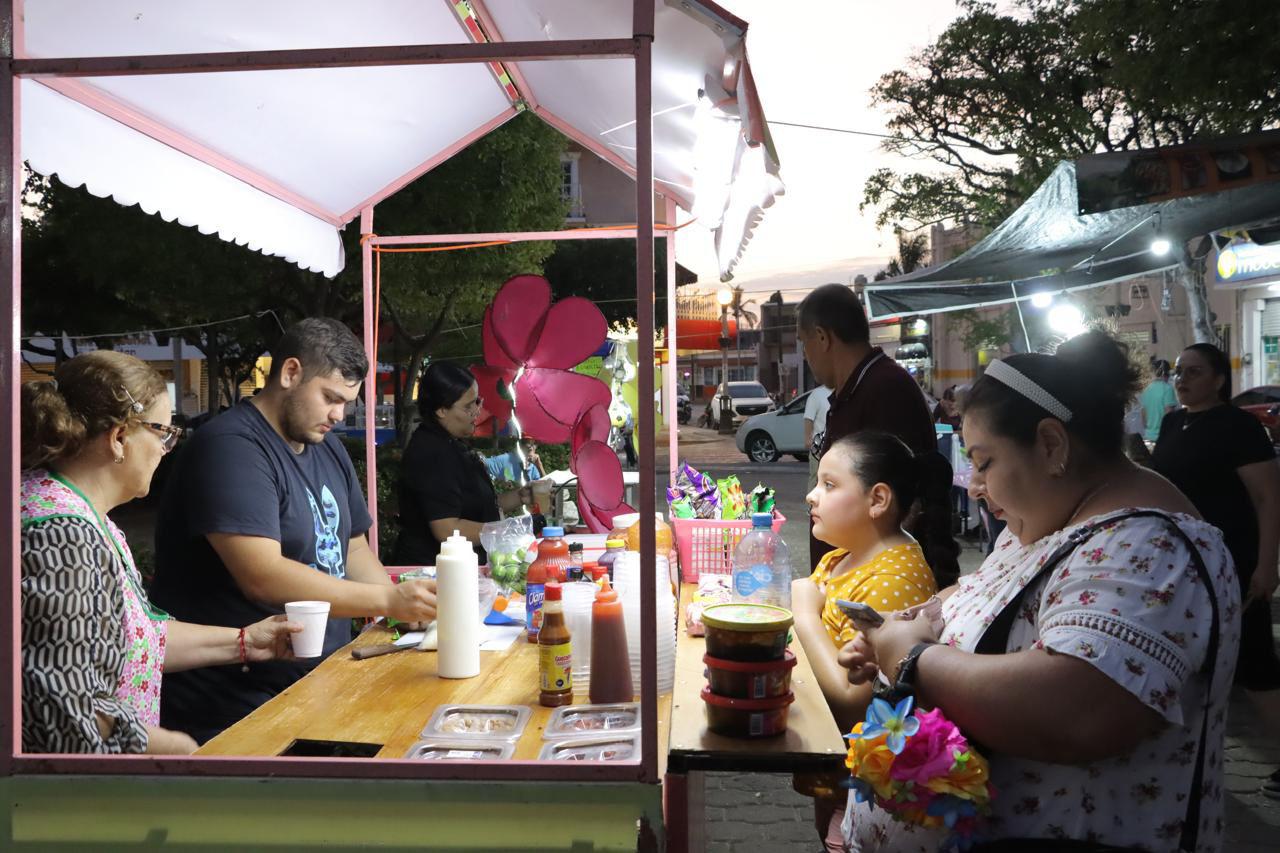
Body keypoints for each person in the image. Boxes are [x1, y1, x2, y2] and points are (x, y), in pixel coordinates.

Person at [836, 331, 1240, 853]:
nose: (976, 487)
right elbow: (991, 596)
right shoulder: (1047, 522)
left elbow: (1077, 707)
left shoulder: (1153, 550)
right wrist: (899, 628)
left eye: (984, 463)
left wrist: (912, 656)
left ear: (1051, 445)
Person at [151, 318, 439, 743]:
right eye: (330, 398)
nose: (339, 415)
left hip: (320, 682)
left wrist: (400, 610)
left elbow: (353, 548)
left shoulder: (329, 447)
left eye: (347, 402)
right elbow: (262, 576)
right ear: (289, 373)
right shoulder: (230, 447)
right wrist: (388, 597)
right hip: (233, 703)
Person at [20, 351, 303, 754]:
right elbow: (65, 706)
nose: (167, 449)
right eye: (162, 433)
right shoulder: (62, 534)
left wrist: (245, 641)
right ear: (119, 438)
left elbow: (132, 639)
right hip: (68, 800)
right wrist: (165, 745)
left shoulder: (82, 516)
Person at [792, 432, 938, 851]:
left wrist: (803, 614)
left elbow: (852, 698)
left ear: (878, 500)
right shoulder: (841, 556)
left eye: (829, 485)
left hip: (865, 784)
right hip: (829, 767)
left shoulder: (895, 579)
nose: (811, 496)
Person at [1152, 342, 1280, 799]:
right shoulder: (1172, 422)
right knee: (1193, 664)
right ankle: (1196, 761)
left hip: (1233, 561)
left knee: (1255, 665)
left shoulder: (1239, 426)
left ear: (1219, 379)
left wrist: (1268, 564)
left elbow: (1267, 499)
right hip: (1181, 565)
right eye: (1178, 371)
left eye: (1194, 371)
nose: (1182, 379)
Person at [797, 284, 958, 585]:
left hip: (874, 592)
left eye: (804, 344)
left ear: (822, 337)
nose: (806, 356)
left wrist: (860, 580)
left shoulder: (886, 389)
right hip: (846, 585)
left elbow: (908, 502)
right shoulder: (853, 389)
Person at [393, 361, 535, 567]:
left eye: (477, 401)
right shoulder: (431, 453)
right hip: (434, 574)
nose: (477, 411)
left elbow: (471, 507)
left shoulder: (450, 443)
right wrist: (504, 531)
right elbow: (446, 527)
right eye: (469, 406)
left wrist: (520, 497)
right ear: (441, 410)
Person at [1141, 358, 1178, 442]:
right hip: (1164, 437)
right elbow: (1169, 414)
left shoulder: (1147, 390)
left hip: (1148, 436)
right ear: (1168, 373)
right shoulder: (1167, 389)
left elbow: (1143, 414)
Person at [803, 385, 831, 492]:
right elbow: (808, 418)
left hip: (838, 445)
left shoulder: (845, 392)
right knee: (816, 477)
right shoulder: (817, 394)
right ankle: (811, 507)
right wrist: (808, 439)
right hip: (819, 446)